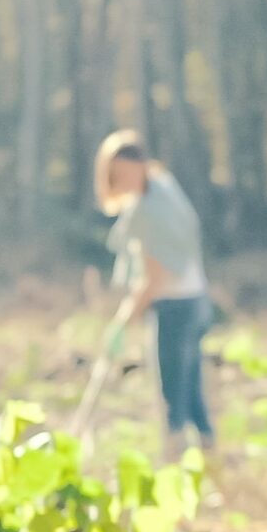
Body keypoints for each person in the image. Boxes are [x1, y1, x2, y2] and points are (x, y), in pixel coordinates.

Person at [93, 131, 215, 452]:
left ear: (140, 165)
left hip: (176, 306)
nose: (122, 179)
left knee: (173, 395)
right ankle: (208, 454)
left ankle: (177, 461)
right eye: (116, 175)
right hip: (197, 300)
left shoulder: (151, 207)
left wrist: (123, 320)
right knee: (190, 389)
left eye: (124, 171)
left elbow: (154, 278)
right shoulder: (163, 187)